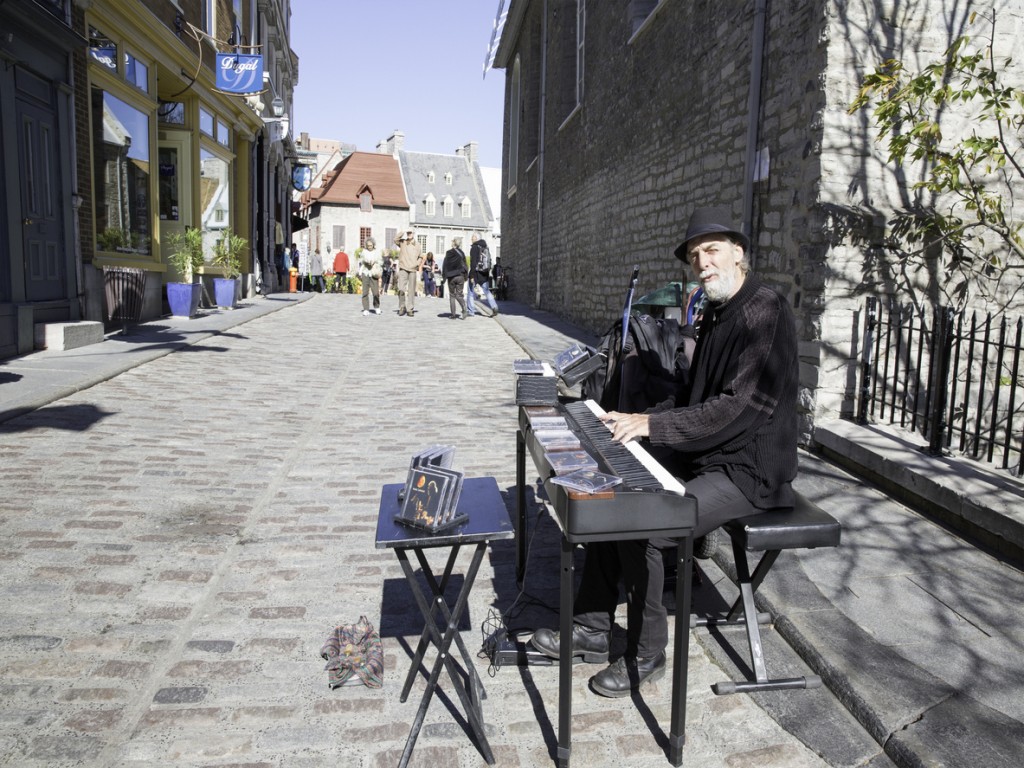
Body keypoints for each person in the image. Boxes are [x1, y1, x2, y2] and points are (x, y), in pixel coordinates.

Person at [530, 207, 799, 698]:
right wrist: (630, 420)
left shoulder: (766, 311)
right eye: (695, 255)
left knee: (652, 527)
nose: (703, 262)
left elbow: (735, 409)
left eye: (712, 250)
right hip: (710, 453)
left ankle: (646, 652)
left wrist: (652, 424)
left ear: (739, 253)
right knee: (614, 494)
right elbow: (694, 397)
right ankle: (591, 627)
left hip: (750, 471)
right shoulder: (716, 311)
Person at [468, 232, 499, 317]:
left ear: (477, 238)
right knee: (487, 291)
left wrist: (471, 275)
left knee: (470, 292)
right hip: (484, 273)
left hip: (476, 273)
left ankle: (470, 311)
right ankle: (494, 306)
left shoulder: (474, 247)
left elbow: (473, 263)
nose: (472, 238)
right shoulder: (485, 246)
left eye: (473, 237)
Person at [395, 230, 423, 317]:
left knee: (411, 290)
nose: (409, 234)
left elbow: (421, 257)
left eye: (410, 233)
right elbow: (395, 239)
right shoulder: (403, 242)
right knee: (401, 289)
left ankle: (410, 309)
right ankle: (402, 307)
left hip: (413, 270)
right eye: (408, 233)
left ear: (414, 233)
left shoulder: (417, 245)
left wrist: (417, 264)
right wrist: (402, 232)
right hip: (403, 268)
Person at [442, 237, 469, 319]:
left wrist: (444, 277)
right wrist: (465, 276)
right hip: (460, 276)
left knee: (452, 295)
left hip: (451, 277)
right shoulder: (462, 253)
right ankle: (464, 306)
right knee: (459, 294)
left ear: (453, 243)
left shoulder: (448, 253)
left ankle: (453, 315)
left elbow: (445, 265)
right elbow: (465, 265)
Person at [358, 237, 384, 315]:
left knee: (375, 292)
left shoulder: (377, 252)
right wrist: (365, 261)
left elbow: (381, 262)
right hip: (365, 272)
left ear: (373, 245)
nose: (369, 247)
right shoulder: (364, 251)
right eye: (368, 245)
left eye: (371, 245)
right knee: (365, 292)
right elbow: (361, 260)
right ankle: (366, 309)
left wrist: (375, 261)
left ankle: (377, 306)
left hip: (373, 273)